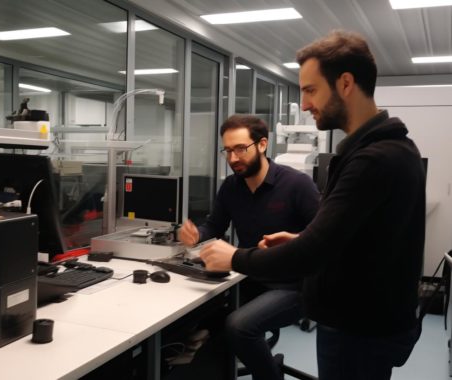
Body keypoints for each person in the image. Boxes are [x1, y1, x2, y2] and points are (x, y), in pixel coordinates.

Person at [200, 30, 426, 380]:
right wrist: (297, 239)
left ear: (346, 83)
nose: (304, 104)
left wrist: (234, 257)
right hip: (363, 321)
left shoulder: (374, 159)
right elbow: (351, 239)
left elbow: (313, 252)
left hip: (359, 328)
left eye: (310, 89)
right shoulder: (381, 151)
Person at [179, 114, 320, 380]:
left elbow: (322, 240)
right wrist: (197, 235)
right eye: (228, 150)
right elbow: (214, 227)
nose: (233, 159)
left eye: (241, 149)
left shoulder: (297, 185)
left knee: (239, 326)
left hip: (294, 286)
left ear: (262, 144)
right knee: (197, 317)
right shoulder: (231, 187)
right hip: (247, 277)